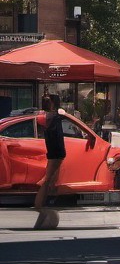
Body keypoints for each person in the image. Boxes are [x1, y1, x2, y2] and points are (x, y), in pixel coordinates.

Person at [33, 94, 65, 230]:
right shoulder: (52, 116)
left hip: (55, 152)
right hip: (55, 153)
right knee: (48, 180)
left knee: (51, 181)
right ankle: (39, 207)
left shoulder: (49, 116)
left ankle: (43, 210)